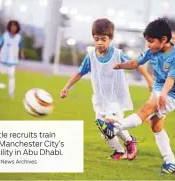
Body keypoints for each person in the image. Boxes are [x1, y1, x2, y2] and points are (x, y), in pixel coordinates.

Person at [98, 18, 175, 173]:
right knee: (156, 125)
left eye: (151, 41)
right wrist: (121, 66)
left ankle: (114, 127)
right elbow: (136, 62)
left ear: (164, 40)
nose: (148, 45)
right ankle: (171, 162)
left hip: (174, 92)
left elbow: (171, 79)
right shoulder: (152, 51)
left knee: (147, 108)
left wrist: (162, 96)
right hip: (160, 88)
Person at [60, 18, 153, 160]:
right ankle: (119, 150)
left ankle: (129, 142)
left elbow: (136, 64)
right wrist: (66, 87)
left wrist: (148, 80)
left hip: (116, 98)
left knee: (110, 123)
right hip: (100, 99)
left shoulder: (117, 54)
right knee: (103, 130)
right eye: (96, 39)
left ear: (110, 38)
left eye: (103, 39)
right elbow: (79, 73)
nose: (99, 43)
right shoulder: (91, 56)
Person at [0, 20, 24, 98]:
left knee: (11, 76)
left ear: (17, 28)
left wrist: (22, 54)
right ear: (9, 27)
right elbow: (0, 45)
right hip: (3, 60)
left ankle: (11, 94)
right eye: (11, 26)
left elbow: (21, 47)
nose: (13, 28)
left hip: (12, 61)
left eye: (15, 26)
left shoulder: (19, 37)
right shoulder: (5, 35)